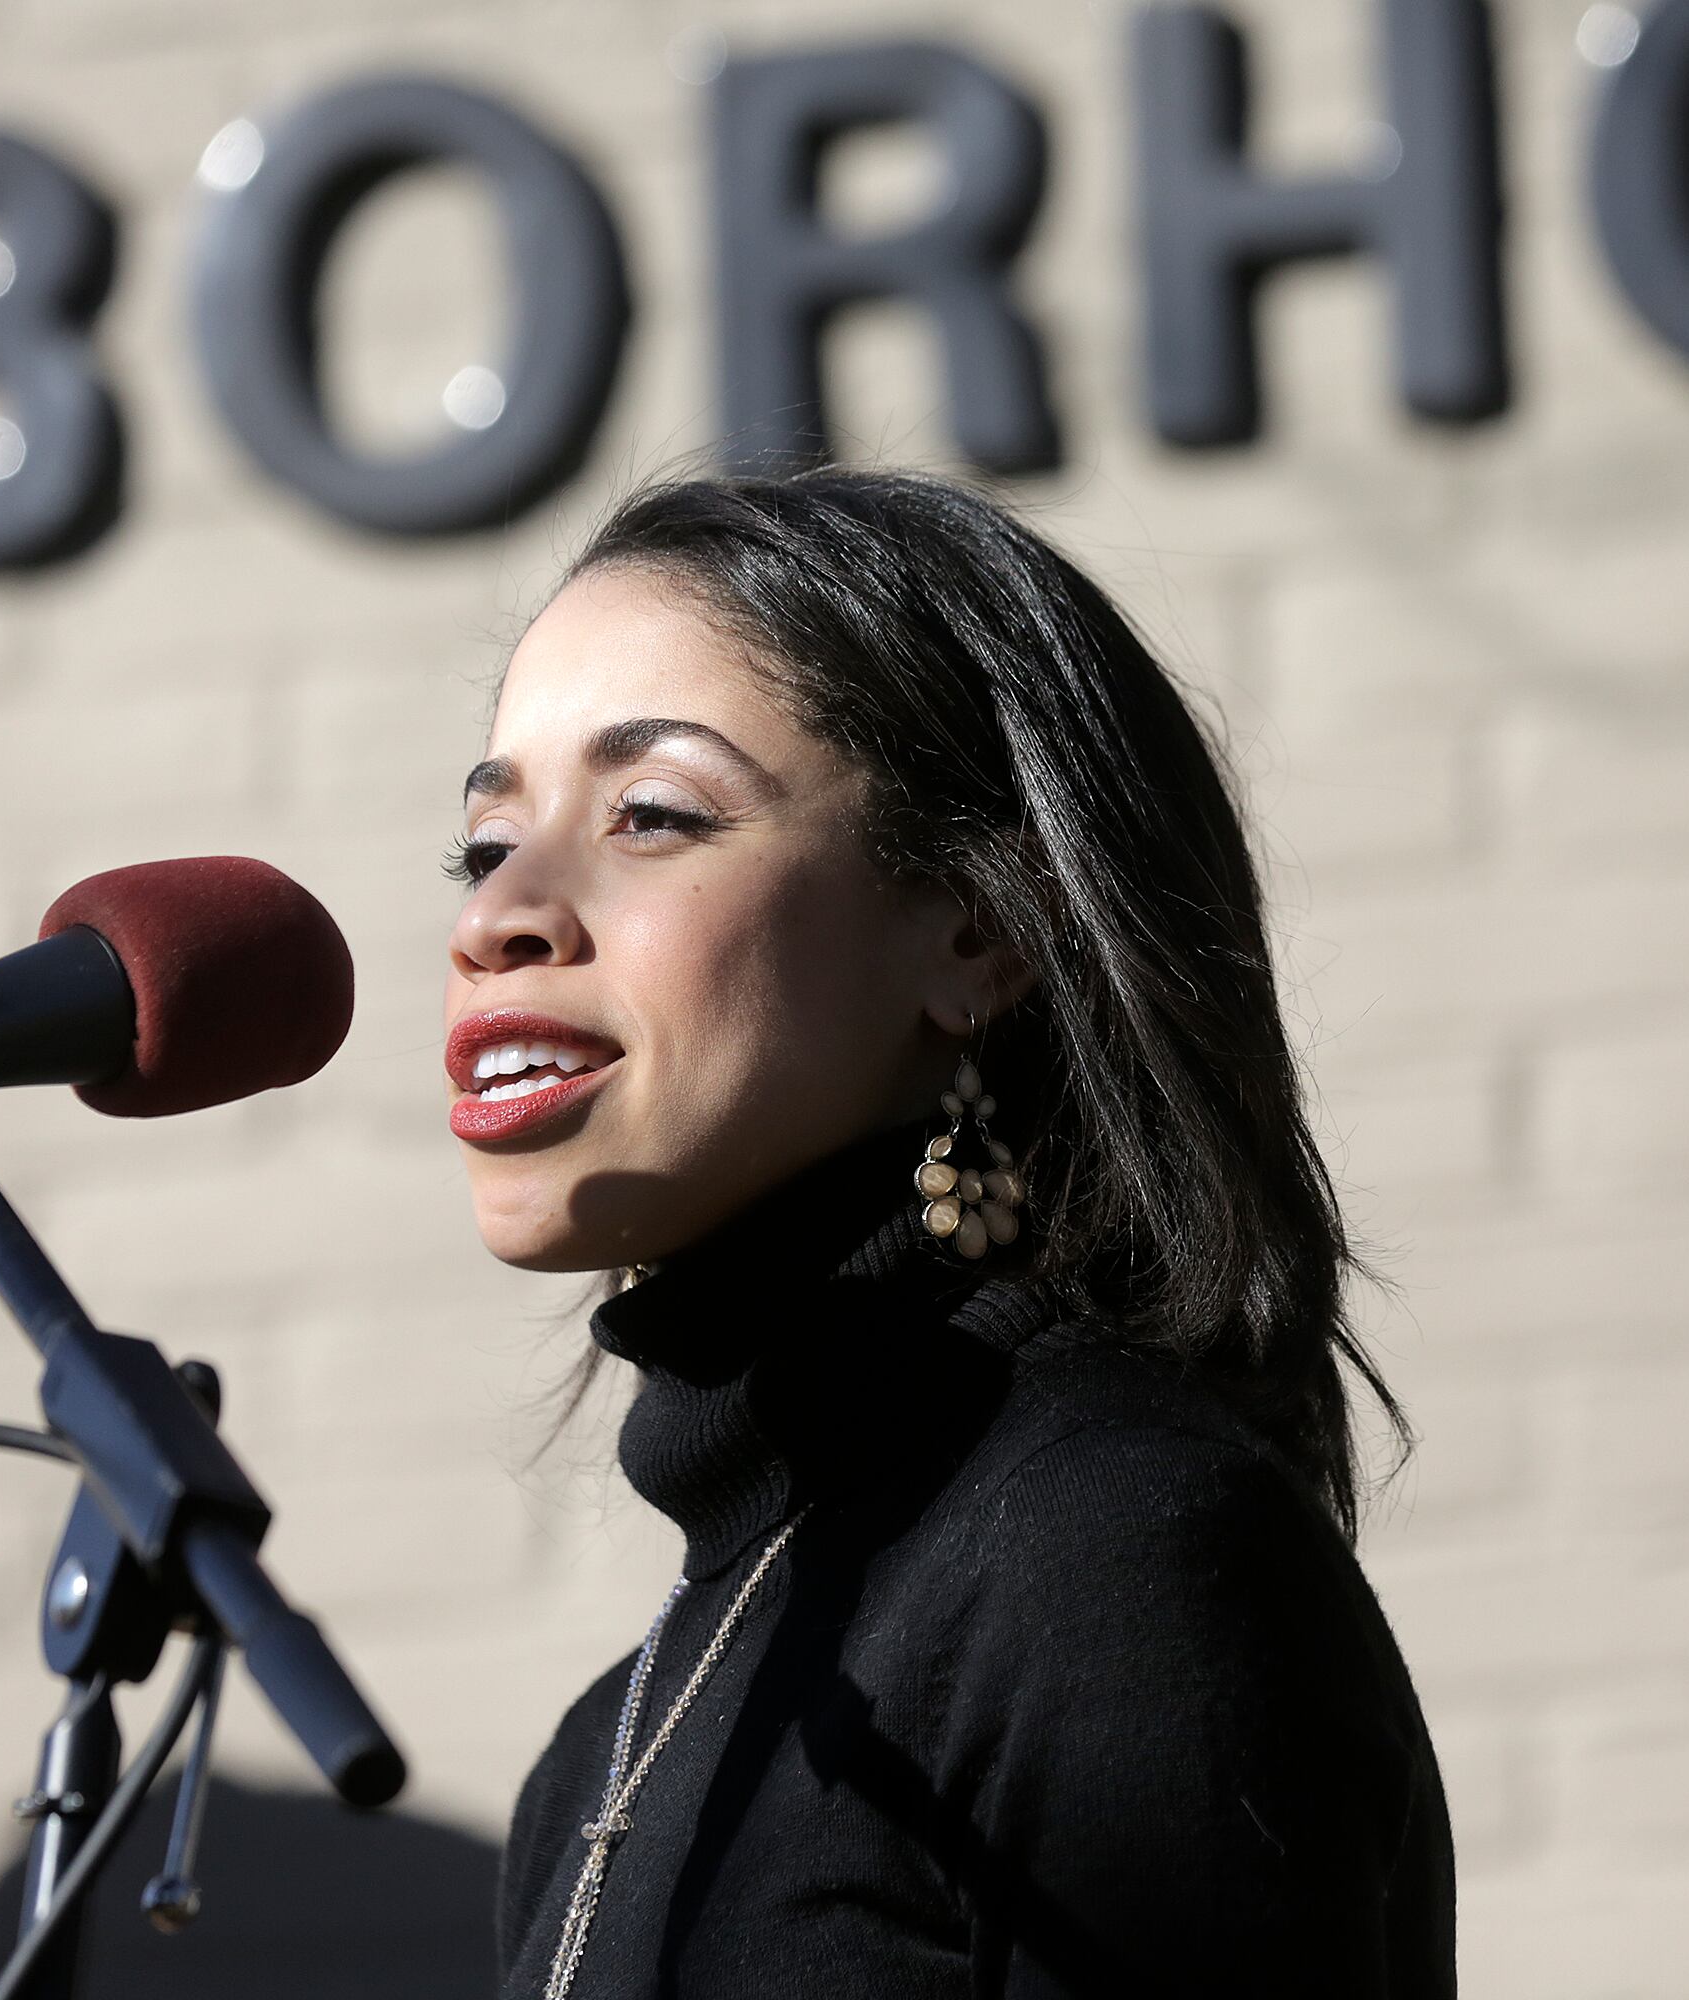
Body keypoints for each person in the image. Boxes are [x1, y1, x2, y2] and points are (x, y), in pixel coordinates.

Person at [443, 467, 1455, 1998]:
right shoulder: (607, 1744)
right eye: (485, 844)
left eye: (653, 814)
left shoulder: (1114, 1560)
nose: (499, 913)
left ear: (978, 930)